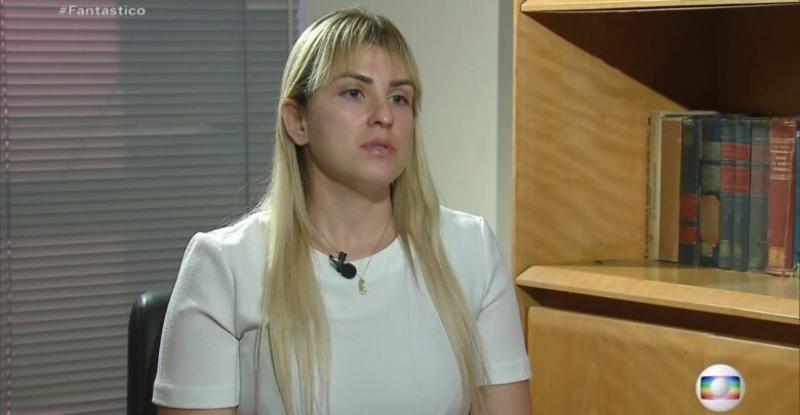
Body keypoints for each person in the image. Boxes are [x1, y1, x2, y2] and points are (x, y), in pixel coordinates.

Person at [153, 7, 531, 415]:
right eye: (354, 92)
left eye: (399, 98)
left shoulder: (469, 249)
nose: (384, 116)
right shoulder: (225, 267)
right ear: (298, 121)